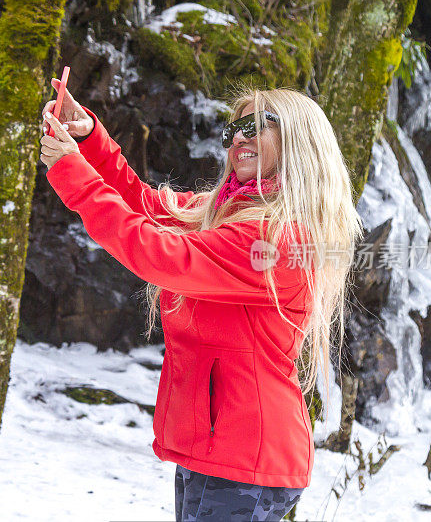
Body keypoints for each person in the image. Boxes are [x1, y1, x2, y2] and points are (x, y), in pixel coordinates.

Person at [39, 82, 362, 521]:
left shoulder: (276, 239)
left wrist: (72, 174)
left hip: (244, 456)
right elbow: (147, 206)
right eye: (234, 129)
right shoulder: (228, 214)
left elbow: (159, 254)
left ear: (299, 141)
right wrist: (88, 141)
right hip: (220, 450)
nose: (240, 137)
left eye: (257, 125)